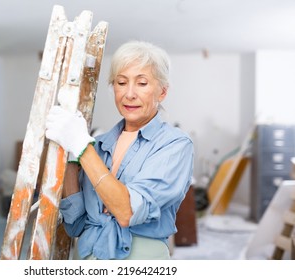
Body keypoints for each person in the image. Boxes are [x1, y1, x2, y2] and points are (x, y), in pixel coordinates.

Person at [45, 40, 194, 260]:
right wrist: (70, 157)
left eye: (142, 83)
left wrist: (80, 146)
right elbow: (75, 225)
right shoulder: (99, 145)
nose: (129, 94)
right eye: (121, 82)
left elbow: (127, 211)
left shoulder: (175, 145)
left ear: (162, 92)